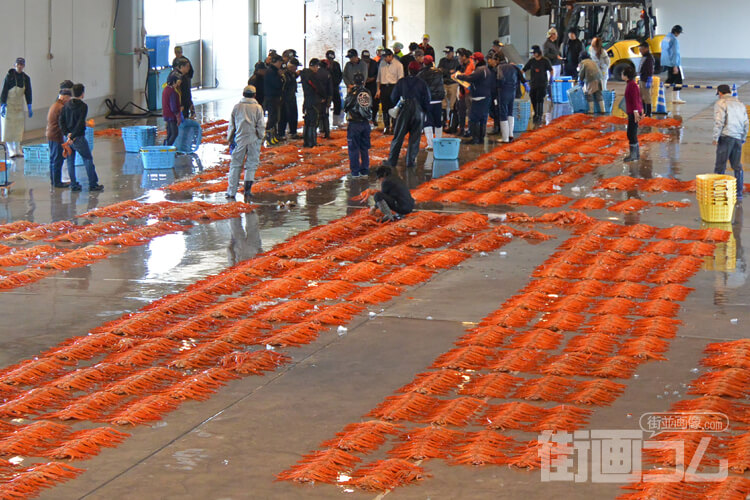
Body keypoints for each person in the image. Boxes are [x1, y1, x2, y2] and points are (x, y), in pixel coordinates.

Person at [384, 61, 430, 168]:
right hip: (418, 112)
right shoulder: (422, 83)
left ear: (408, 70)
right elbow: (427, 99)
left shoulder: (401, 82)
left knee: (398, 137)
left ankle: (392, 161)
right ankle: (411, 162)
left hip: (404, 111)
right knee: (414, 138)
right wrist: (424, 111)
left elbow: (393, 97)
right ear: (419, 71)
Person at [59, 84, 103, 192]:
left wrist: (67, 135)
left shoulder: (66, 105)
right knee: (87, 159)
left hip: (68, 138)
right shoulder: (83, 106)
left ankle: (73, 184)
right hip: (78, 138)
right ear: (82, 94)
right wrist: (73, 136)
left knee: (70, 161)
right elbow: (80, 124)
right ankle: (93, 184)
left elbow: (61, 121)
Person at [226, 85, 265, 201]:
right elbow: (261, 125)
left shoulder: (237, 107)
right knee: (251, 165)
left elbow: (232, 125)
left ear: (243, 94)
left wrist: (230, 139)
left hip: (239, 139)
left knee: (235, 165)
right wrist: (260, 137)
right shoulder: (258, 108)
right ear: (254, 95)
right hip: (253, 139)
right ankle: (247, 191)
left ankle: (231, 192)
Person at [713, 84, 749, 201]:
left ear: (720, 93)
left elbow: (719, 121)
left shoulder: (721, 103)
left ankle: (718, 192)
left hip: (726, 137)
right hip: (738, 137)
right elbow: (746, 123)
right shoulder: (740, 103)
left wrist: (715, 137)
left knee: (720, 166)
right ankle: (738, 193)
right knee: (737, 166)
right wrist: (742, 137)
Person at [456, 52, 492, 145]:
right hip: (485, 96)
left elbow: (470, 78)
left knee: (473, 118)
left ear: (477, 60)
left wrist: (458, 76)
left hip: (479, 98)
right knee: (483, 118)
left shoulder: (480, 70)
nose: (472, 61)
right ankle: (481, 138)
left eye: (473, 59)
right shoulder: (486, 69)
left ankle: (475, 138)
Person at [1, 57, 32, 158]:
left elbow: (28, 92)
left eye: (21, 65)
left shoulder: (26, 78)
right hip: (9, 106)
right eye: (18, 64)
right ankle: (10, 149)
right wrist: (2, 104)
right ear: (15, 65)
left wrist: (29, 105)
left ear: (24, 66)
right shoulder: (9, 77)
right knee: (8, 128)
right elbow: (4, 91)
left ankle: (18, 148)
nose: (19, 66)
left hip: (19, 106)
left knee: (18, 128)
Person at [46, 80, 74, 188]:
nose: (69, 101)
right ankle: (57, 182)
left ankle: (54, 181)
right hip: (56, 136)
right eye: (68, 98)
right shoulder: (61, 107)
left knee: (53, 159)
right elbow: (63, 123)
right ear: (64, 97)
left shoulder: (55, 105)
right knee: (57, 160)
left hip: (51, 135)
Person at [343, 73, 372, 178]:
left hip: (354, 124)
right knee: (364, 148)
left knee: (354, 149)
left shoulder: (352, 94)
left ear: (353, 82)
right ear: (363, 82)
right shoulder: (367, 92)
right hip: (365, 123)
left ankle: (355, 172)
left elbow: (345, 106)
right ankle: (365, 170)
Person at [493, 52, 526, 143]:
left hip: (503, 92)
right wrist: (526, 85)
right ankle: (510, 135)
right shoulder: (513, 66)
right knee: (510, 112)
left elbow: (500, 80)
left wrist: (496, 89)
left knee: (503, 113)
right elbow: (522, 77)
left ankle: (505, 138)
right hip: (513, 92)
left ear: (498, 60)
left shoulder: (499, 67)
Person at [417, 55, 445, 149]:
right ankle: (439, 141)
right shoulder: (439, 72)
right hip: (438, 100)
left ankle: (430, 144)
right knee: (438, 122)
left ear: (424, 63)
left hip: (428, 101)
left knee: (427, 122)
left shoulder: (421, 74)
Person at [376, 49, 404, 134]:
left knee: (394, 107)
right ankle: (386, 126)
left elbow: (400, 80)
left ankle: (394, 127)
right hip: (384, 87)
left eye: (386, 57)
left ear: (391, 56)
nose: (384, 58)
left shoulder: (398, 65)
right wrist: (378, 89)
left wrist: (399, 91)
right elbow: (378, 78)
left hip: (394, 87)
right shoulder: (382, 63)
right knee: (385, 108)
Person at [523, 45, 553, 126]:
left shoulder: (545, 61)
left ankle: (539, 115)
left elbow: (551, 70)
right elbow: (524, 69)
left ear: (538, 52)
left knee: (540, 99)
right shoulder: (531, 61)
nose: (533, 54)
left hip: (542, 84)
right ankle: (536, 113)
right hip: (533, 84)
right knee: (533, 97)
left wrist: (551, 78)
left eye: (534, 53)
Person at [300, 59, 323, 148]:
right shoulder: (312, 76)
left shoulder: (304, 74)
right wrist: (323, 96)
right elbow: (318, 88)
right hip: (314, 101)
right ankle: (312, 143)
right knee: (313, 122)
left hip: (307, 101)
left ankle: (306, 142)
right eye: (317, 66)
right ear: (314, 66)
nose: (317, 69)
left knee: (308, 122)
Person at [623, 66, 643, 162]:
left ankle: (634, 155)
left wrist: (636, 112)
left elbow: (635, 99)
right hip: (632, 111)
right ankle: (635, 154)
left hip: (634, 112)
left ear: (626, 75)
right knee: (631, 133)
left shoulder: (632, 85)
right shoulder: (630, 84)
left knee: (631, 133)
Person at [661, 25, 685, 104]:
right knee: (678, 80)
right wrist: (675, 65)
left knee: (670, 79)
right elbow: (675, 53)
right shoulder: (674, 40)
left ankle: (660, 93)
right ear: (676, 32)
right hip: (673, 63)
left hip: (666, 61)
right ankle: (675, 98)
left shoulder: (666, 38)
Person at [438, 46, 460, 132]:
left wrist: (445, 71)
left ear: (452, 53)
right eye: (446, 53)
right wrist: (448, 71)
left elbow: (456, 71)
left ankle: (452, 125)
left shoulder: (456, 61)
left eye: (448, 53)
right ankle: (443, 123)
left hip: (453, 83)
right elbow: (440, 70)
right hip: (444, 83)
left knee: (452, 104)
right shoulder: (442, 60)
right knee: (443, 104)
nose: (447, 55)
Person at [263, 53, 283, 145]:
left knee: (275, 118)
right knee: (272, 117)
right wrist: (281, 78)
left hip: (274, 97)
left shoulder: (274, 71)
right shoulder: (271, 72)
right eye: (280, 62)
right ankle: (269, 137)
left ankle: (273, 136)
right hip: (271, 98)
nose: (281, 64)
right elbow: (277, 84)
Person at [454, 49, 475, 137]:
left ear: (464, 57)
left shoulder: (472, 65)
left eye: (459, 56)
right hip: (462, 91)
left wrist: (460, 76)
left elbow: (470, 77)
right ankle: (461, 129)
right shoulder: (462, 65)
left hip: (470, 92)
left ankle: (470, 130)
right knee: (461, 111)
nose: (458, 58)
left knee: (470, 112)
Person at [278, 58, 300, 139]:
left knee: (293, 115)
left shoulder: (292, 74)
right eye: (295, 67)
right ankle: (281, 133)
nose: (296, 69)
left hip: (292, 97)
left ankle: (293, 132)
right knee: (284, 117)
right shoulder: (285, 75)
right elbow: (283, 87)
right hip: (285, 99)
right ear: (291, 66)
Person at [162, 72, 182, 146]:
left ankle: (165, 145)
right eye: (178, 82)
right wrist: (178, 116)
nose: (179, 84)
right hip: (171, 116)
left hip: (166, 115)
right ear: (174, 82)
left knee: (169, 133)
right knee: (174, 133)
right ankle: (167, 147)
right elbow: (173, 107)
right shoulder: (172, 92)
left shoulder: (165, 90)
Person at [316, 58, 334, 138]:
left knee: (316, 115)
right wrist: (329, 100)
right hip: (325, 97)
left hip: (316, 98)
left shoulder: (315, 73)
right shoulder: (328, 74)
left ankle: (314, 133)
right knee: (325, 115)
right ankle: (327, 133)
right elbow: (330, 88)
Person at [325, 50, 344, 127]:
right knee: (326, 105)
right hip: (326, 88)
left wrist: (336, 83)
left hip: (335, 87)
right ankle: (325, 123)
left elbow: (340, 75)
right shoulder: (323, 65)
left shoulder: (336, 65)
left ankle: (336, 121)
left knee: (338, 103)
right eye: (329, 59)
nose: (330, 61)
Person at [362, 50, 380, 126]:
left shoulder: (374, 63)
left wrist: (372, 78)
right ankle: (365, 119)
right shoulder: (360, 63)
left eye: (367, 59)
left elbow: (378, 74)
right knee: (364, 103)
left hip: (373, 85)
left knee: (375, 104)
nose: (366, 61)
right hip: (363, 86)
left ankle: (373, 118)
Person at [638, 41, 655, 117]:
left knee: (647, 96)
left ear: (646, 49)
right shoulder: (644, 57)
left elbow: (650, 70)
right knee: (642, 96)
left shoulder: (649, 58)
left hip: (646, 79)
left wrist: (649, 79)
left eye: (641, 49)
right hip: (642, 78)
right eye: (640, 49)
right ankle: (644, 111)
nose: (640, 51)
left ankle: (648, 112)